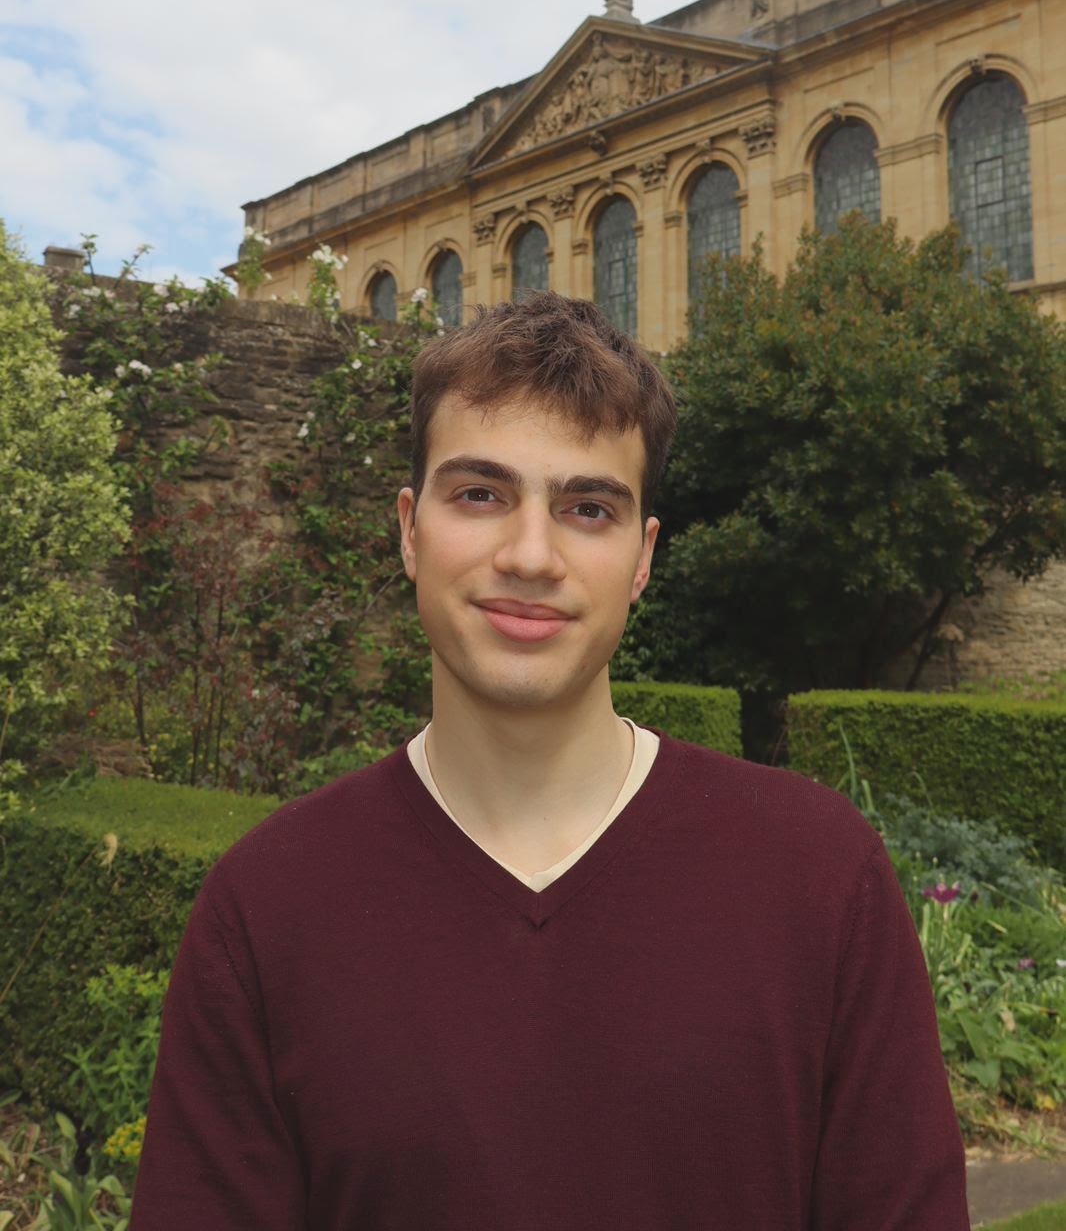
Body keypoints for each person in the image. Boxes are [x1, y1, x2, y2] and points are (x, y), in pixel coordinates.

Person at [130, 291, 970, 1229]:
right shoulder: (266, 908)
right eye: (480, 494)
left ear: (642, 558)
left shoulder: (818, 876)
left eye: (588, 508)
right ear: (410, 530)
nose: (531, 555)